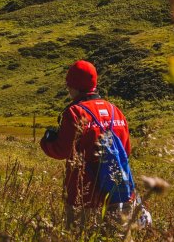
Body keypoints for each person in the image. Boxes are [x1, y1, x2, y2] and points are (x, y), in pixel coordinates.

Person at [40, 60, 139, 227]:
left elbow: (61, 150)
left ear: (74, 86)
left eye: (69, 86)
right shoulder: (115, 111)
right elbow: (126, 151)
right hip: (120, 193)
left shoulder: (74, 112)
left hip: (84, 196)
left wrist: (46, 141)